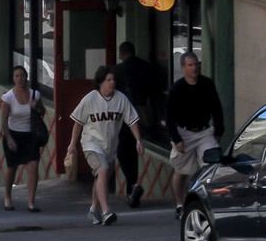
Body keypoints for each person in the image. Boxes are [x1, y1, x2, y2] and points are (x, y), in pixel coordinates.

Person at [69, 65, 144, 226]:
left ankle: (93, 208)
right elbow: (78, 123)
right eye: (108, 80)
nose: (112, 83)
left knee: (100, 176)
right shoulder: (90, 99)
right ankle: (106, 210)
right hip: (91, 143)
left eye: (113, 80)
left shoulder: (121, 99)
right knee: (102, 170)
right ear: (100, 83)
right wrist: (72, 145)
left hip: (110, 146)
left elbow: (132, 120)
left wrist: (138, 140)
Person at [165, 51, 226, 217]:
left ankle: (206, 203)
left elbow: (216, 108)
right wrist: (176, 139)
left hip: (205, 132)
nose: (194, 68)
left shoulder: (207, 84)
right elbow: (169, 117)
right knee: (182, 170)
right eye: (190, 65)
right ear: (183, 68)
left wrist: (219, 130)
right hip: (184, 133)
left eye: (196, 64)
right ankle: (180, 203)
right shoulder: (176, 89)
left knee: (210, 166)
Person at [113, 41, 156, 208]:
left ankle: (133, 185)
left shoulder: (117, 70)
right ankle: (133, 188)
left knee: (123, 152)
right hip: (143, 114)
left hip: (124, 117)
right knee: (135, 149)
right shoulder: (147, 67)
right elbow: (154, 93)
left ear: (122, 53)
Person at [0, 64, 44, 212]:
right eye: (17, 76)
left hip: (30, 135)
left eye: (22, 75)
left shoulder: (34, 94)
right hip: (13, 134)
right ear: (13, 78)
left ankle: (31, 202)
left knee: (33, 166)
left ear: (26, 77)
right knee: (12, 167)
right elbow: (4, 120)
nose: (20, 79)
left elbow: (41, 112)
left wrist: (36, 107)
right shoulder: (8, 97)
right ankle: (7, 197)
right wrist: (9, 138)